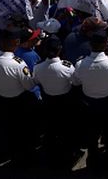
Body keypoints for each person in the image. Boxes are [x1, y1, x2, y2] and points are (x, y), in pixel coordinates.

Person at [0, 28, 38, 166]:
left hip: (2, 100)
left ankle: (13, 155)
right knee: (23, 131)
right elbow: (28, 86)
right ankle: (25, 158)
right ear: (17, 42)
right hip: (19, 102)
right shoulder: (18, 63)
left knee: (9, 129)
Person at [72, 30, 108, 171]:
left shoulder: (80, 63)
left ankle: (93, 162)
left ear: (90, 45)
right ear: (106, 45)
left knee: (92, 135)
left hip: (89, 105)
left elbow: (76, 82)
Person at [33, 36, 78, 169]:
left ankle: (52, 158)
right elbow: (75, 82)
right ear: (59, 49)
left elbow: (36, 81)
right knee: (67, 131)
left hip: (49, 102)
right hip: (65, 102)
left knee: (51, 131)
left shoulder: (38, 67)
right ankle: (68, 158)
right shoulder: (67, 66)